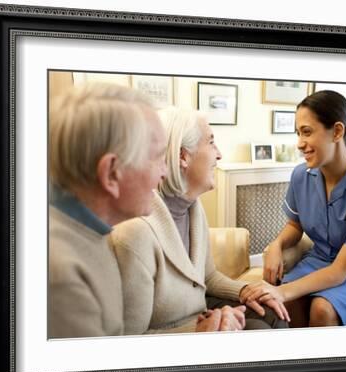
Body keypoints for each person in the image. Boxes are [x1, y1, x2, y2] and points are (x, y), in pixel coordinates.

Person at [111, 108, 290, 335]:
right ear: (183, 156)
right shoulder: (134, 232)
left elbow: (207, 277)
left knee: (270, 313)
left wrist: (246, 290)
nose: (219, 155)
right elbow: (129, 339)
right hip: (171, 331)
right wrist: (199, 332)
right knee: (257, 330)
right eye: (212, 143)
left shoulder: (192, 206)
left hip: (199, 311)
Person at [240, 90, 346, 327]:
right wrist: (276, 245)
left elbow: (340, 271)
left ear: (337, 131)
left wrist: (283, 291)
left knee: (321, 309)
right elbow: (295, 224)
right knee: (283, 303)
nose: (300, 144)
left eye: (307, 132)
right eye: (298, 133)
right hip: (320, 261)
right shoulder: (301, 175)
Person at [48, 82, 169, 338]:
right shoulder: (61, 277)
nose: (165, 173)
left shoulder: (89, 232)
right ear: (111, 174)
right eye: (158, 158)